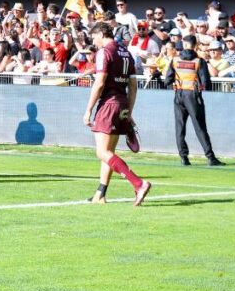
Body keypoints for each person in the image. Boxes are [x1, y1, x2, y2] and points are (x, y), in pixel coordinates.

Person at [82, 22, 151, 206]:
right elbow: (133, 86)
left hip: (108, 104)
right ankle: (100, 194)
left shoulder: (104, 52)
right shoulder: (126, 53)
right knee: (109, 153)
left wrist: (88, 109)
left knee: (102, 152)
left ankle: (138, 183)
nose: (93, 42)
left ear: (101, 34)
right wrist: (129, 111)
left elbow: (99, 83)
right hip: (121, 104)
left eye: (94, 37)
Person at [163, 36, 225, 166]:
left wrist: (176, 83)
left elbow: (167, 80)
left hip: (179, 94)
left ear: (184, 44)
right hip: (193, 96)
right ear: (195, 45)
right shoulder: (199, 61)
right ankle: (210, 157)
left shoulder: (175, 60)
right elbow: (206, 83)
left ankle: (184, 158)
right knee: (200, 127)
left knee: (180, 127)